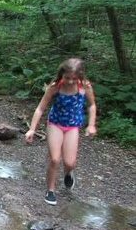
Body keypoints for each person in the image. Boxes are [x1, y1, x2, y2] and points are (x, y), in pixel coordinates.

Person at [25, 58, 97, 206]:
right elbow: (40, 108)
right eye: (67, 78)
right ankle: (50, 190)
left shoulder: (84, 86)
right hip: (55, 124)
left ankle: (68, 172)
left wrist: (91, 125)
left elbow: (92, 106)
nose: (70, 81)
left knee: (70, 162)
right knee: (55, 159)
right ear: (62, 74)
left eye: (74, 78)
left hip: (73, 126)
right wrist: (32, 129)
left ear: (80, 76)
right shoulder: (55, 86)